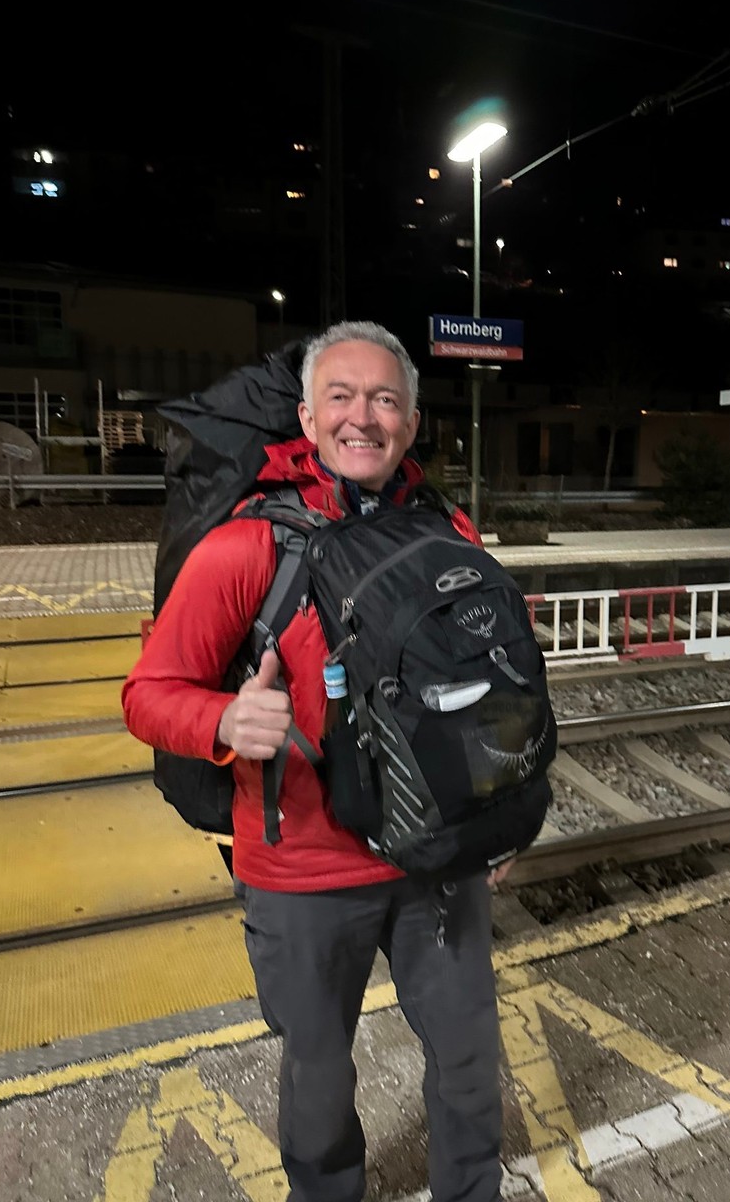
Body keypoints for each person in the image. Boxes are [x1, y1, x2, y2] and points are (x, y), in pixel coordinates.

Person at [122, 320, 509, 1202]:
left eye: (384, 399)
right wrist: (224, 716)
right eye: (341, 395)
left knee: (468, 1055)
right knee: (319, 1076)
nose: (362, 416)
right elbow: (148, 694)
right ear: (307, 414)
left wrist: (498, 813)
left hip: (438, 859)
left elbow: (487, 691)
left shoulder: (450, 532)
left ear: (411, 422)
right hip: (298, 873)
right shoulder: (248, 547)